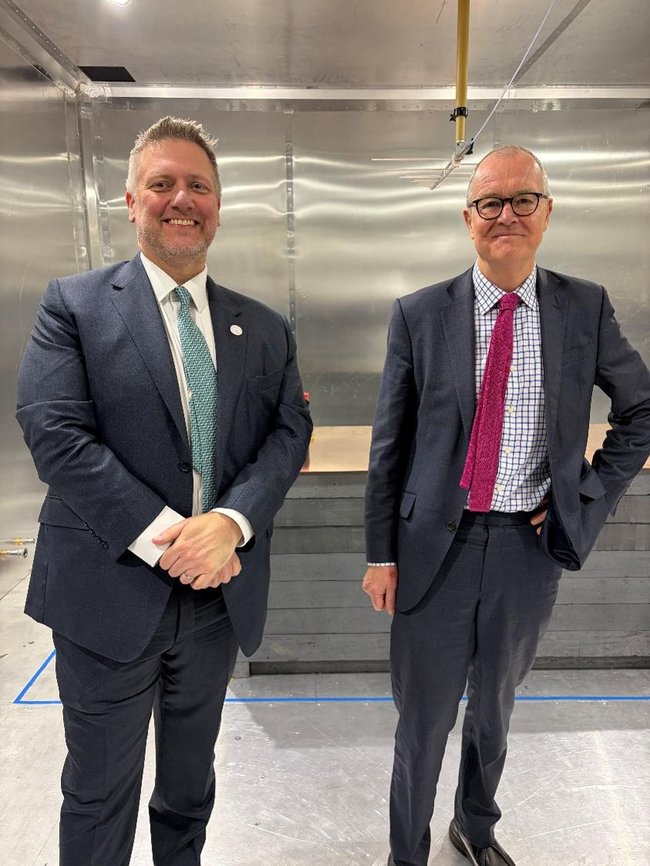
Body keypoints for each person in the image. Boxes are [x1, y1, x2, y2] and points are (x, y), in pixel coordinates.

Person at [17, 116, 312, 866]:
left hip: (217, 600)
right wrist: (173, 540)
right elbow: (55, 435)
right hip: (107, 598)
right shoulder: (74, 306)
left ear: (219, 204)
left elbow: (288, 436)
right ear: (130, 200)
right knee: (99, 793)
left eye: (199, 185)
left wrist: (233, 521)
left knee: (189, 788)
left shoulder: (265, 328)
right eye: (162, 183)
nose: (182, 198)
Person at [362, 145, 650, 866]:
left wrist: (582, 497)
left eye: (523, 199)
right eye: (490, 202)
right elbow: (388, 446)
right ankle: (407, 854)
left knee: (494, 710)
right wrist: (379, 553)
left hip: (527, 552)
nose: (506, 214)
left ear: (547, 214)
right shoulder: (421, 315)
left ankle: (475, 829)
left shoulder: (583, 306)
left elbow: (640, 411)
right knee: (423, 721)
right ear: (469, 219)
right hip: (433, 551)